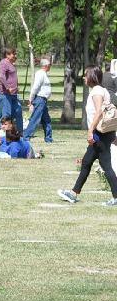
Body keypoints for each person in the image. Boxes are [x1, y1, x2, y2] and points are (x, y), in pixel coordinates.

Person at [58, 66, 117, 206]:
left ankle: (116, 196)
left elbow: (99, 113)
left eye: (86, 75)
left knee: (106, 165)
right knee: (86, 162)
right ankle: (73, 193)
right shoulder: (102, 90)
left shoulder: (97, 91)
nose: (84, 78)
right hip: (105, 133)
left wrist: (90, 131)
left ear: (92, 76)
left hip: (99, 133)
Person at [23, 58, 53, 143]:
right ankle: (26, 137)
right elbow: (35, 87)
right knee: (35, 119)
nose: (50, 67)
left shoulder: (44, 74)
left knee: (46, 120)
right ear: (46, 66)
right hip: (40, 99)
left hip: (44, 100)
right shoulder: (40, 74)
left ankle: (48, 138)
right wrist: (30, 99)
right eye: (49, 65)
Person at [0, 47, 23, 133]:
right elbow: (1, 76)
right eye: (14, 54)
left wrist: (16, 87)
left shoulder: (11, 63)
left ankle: (20, 134)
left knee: (17, 111)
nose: (15, 55)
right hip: (5, 94)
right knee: (7, 114)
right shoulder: (4, 63)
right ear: (7, 55)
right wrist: (7, 87)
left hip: (13, 94)